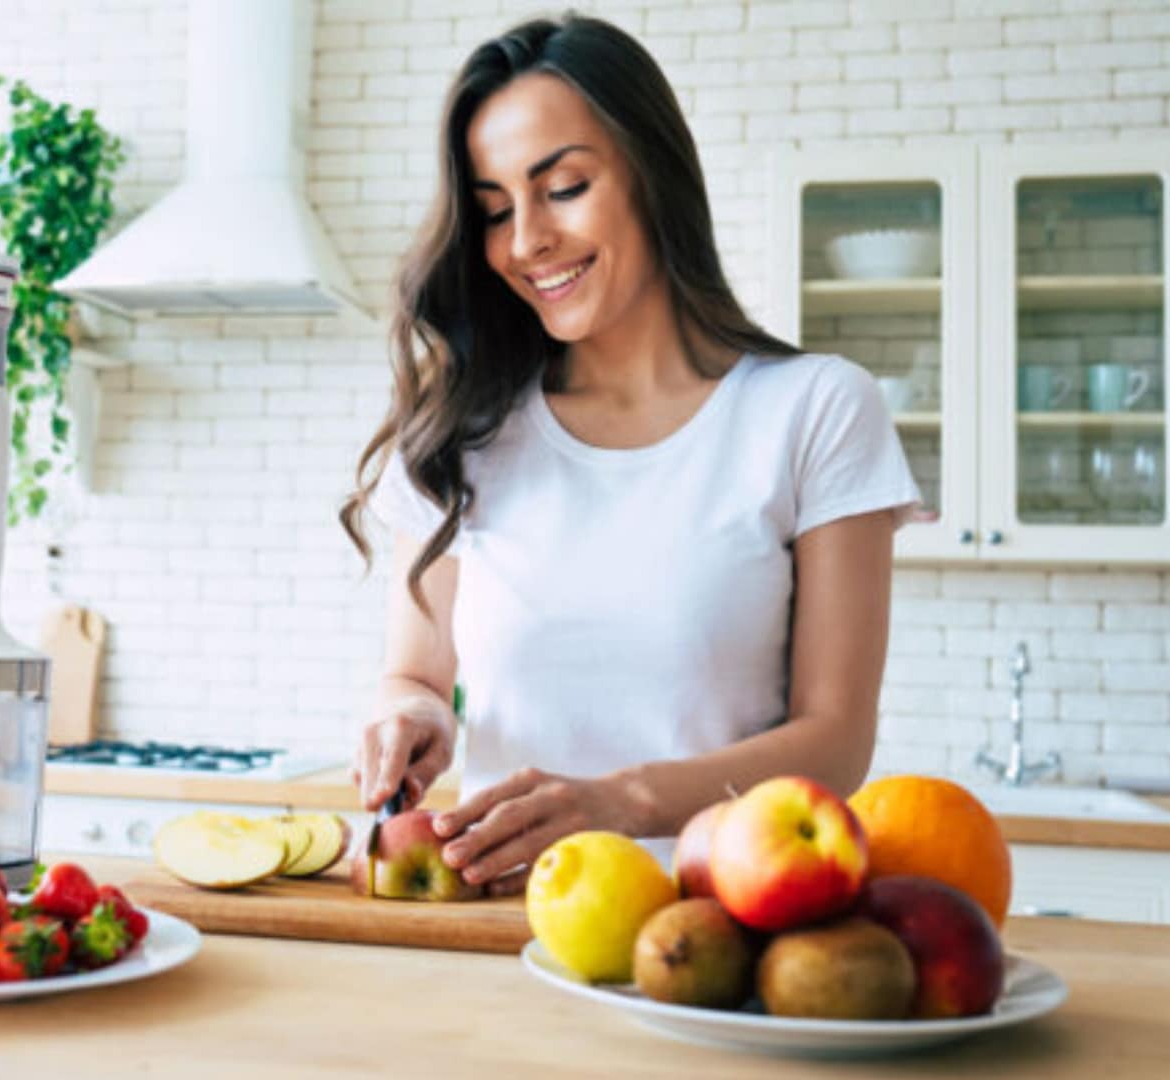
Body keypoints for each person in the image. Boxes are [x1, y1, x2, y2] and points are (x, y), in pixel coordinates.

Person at [338, 14, 920, 896]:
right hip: (497, 933)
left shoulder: (814, 410)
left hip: (717, 934)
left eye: (563, 187)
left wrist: (619, 802)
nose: (525, 240)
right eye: (494, 211)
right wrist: (409, 717)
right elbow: (415, 673)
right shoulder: (465, 430)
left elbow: (834, 741)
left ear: (653, 173)